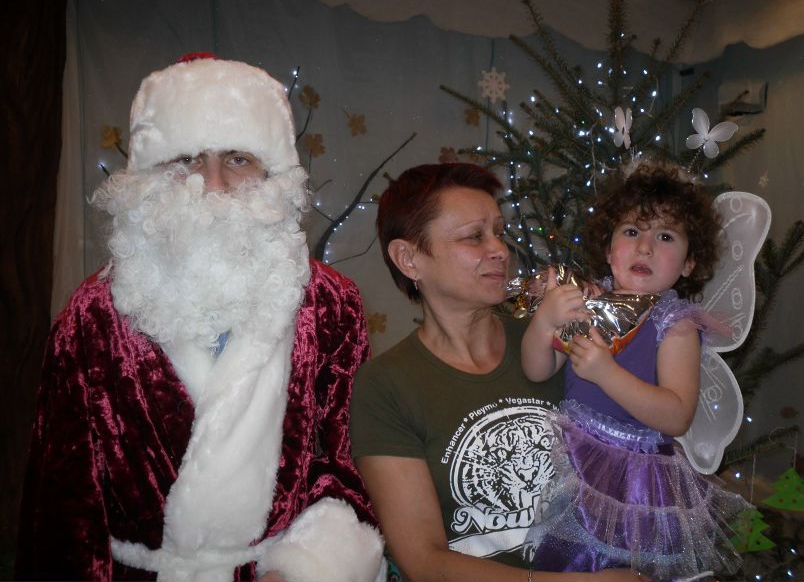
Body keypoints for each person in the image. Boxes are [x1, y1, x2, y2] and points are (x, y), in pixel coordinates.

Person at [15, 54, 384, 582]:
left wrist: (311, 567)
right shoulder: (92, 313)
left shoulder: (331, 302)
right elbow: (62, 501)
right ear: (149, 175)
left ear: (273, 173)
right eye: (187, 159)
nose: (212, 184)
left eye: (237, 158)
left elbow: (350, 460)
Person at [350, 162, 640, 581]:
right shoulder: (386, 385)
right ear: (408, 259)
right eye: (474, 236)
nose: (500, 250)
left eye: (499, 233)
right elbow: (425, 562)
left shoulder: (553, 343)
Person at [521, 163, 749, 580]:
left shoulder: (674, 324)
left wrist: (606, 373)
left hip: (635, 479)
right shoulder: (588, 304)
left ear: (688, 263)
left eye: (665, 236)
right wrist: (544, 321)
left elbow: (676, 415)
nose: (645, 247)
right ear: (609, 251)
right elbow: (538, 370)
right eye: (631, 231)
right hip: (570, 460)